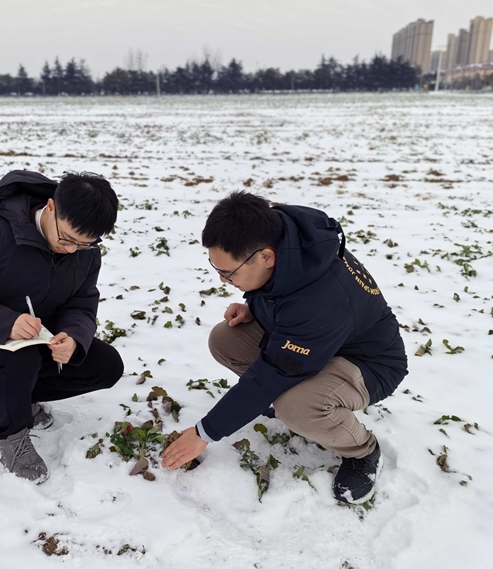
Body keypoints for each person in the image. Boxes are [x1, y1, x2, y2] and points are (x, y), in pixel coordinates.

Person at [161, 192, 408, 504]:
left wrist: (204, 433)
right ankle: (291, 398)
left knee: (295, 406)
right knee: (225, 340)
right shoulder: (286, 239)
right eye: (216, 268)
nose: (223, 280)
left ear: (266, 257)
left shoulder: (318, 301)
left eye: (229, 273)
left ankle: (363, 451)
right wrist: (258, 308)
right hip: (321, 341)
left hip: (369, 363)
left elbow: (272, 372)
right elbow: (280, 293)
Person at [0, 170, 123, 483]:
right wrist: (5, 323)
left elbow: (81, 304)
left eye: (84, 244)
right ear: (51, 207)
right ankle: (11, 436)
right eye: (68, 239)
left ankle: (19, 396)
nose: (71, 250)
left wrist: (73, 337)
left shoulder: (86, 253)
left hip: (37, 340)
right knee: (21, 359)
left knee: (106, 366)